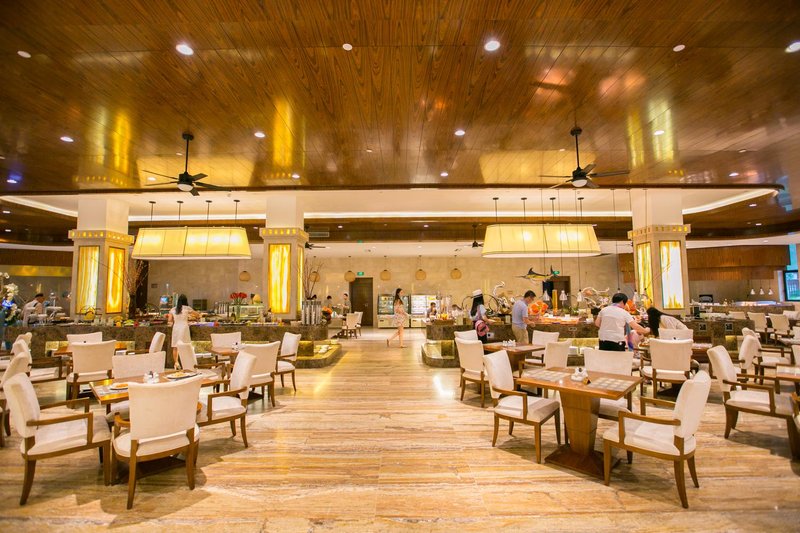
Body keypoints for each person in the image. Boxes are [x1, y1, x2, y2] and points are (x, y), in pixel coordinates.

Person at [167, 294, 193, 368]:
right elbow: (198, 315)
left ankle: (176, 363)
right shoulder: (187, 308)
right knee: (186, 345)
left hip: (176, 328)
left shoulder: (173, 309)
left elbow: (169, 320)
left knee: (175, 346)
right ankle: (187, 363)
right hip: (184, 328)